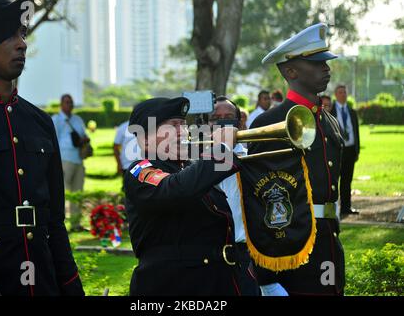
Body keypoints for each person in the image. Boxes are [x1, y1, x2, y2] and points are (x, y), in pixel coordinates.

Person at [0, 0, 84, 296]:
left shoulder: (39, 122)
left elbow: (54, 222)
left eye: (23, 34)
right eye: (10, 34)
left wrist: (72, 287)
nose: (22, 44)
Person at [248, 23, 345, 296]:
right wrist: (266, 277)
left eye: (326, 62)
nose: (326, 68)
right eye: (316, 63)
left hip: (328, 239)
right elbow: (258, 197)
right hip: (289, 245)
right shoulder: (271, 123)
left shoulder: (329, 121)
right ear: (291, 71)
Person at [124, 97, 243, 296]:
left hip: (218, 281)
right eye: (172, 126)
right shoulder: (140, 170)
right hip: (172, 286)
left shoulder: (190, 169)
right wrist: (221, 150)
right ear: (144, 137)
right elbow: (176, 189)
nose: (183, 132)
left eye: (183, 125)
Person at [209, 97, 260, 296]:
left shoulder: (253, 158)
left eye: (228, 117)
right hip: (210, 253)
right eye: (216, 118)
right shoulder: (194, 161)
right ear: (208, 124)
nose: (222, 122)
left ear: (239, 123)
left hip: (247, 251)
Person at [52, 94, 89, 232]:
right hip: (64, 159)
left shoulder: (78, 119)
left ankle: (75, 224)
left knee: (77, 192)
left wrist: (84, 139)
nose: (70, 105)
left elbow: (83, 135)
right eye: (67, 102)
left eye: (71, 102)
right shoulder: (56, 120)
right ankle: (58, 224)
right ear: (61, 104)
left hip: (78, 159)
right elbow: (52, 140)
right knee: (60, 193)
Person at [331, 85, 360, 217]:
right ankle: (333, 208)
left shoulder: (352, 112)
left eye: (344, 92)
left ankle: (346, 207)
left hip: (350, 151)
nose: (343, 94)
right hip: (337, 151)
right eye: (340, 92)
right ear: (335, 95)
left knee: (347, 180)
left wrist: (357, 150)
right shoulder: (331, 112)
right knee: (334, 180)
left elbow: (356, 132)